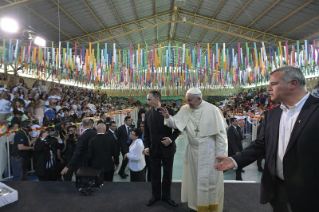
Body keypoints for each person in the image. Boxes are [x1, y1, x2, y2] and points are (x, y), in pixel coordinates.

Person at [214, 66, 319, 212]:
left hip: (310, 194)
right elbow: (260, 144)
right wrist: (235, 160)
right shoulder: (272, 114)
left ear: (293, 84)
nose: (268, 88)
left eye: (273, 84)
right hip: (277, 190)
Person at [160, 88, 227, 212]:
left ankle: (210, 206)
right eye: (187, 100)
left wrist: (221, 155)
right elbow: (175, 123)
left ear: (199, 99)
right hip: (192, 150)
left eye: (190, 101)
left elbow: (221, 135)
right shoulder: (186, 109)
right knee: (194, 180)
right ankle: (195, 206)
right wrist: (168, 117)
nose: (187, 103)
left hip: (209, 152)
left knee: (209, 181)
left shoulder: (213, 110)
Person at [144, 91, 181, 207]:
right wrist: (146, 146)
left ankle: (166, 196)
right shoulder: (148, 114)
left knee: (167, 174)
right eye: (147, 99)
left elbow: (178, 128)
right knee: (154, 174)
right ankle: (155, 196)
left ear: (157, 99)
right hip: (154, 149)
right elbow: (147, 132)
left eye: (149, 99)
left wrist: (171, 139)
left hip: (167, 148)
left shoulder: (170, 112)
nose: (147, 102)